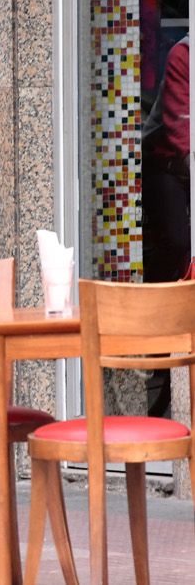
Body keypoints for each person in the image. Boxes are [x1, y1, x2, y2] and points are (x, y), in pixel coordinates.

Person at [141, 34, 190, 416]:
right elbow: (180, 135)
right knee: (177, 246)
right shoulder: (183, 54)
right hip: (168, 165)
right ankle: (160, 359)